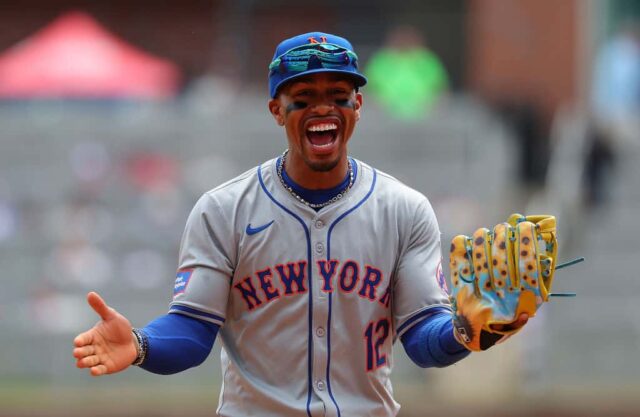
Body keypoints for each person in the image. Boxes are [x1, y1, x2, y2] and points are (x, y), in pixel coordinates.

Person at [73, 32, 530, 417]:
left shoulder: (403, 209)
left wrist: (464, 331)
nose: (323, 109)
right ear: (276, 109)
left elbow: (422, 340)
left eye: (338, 96)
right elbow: (191, 333)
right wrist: (140, 344)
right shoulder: (224, 210)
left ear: (359, 105)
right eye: (303, 98)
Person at [365, 25, 449, 120]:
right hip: (386, 116)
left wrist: (432, 108)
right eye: (401, 37)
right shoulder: (382, 60)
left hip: (424, 116)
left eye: (408, 37)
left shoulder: (427, 60)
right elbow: (369, 88)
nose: (404, 40)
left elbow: (441, 88)